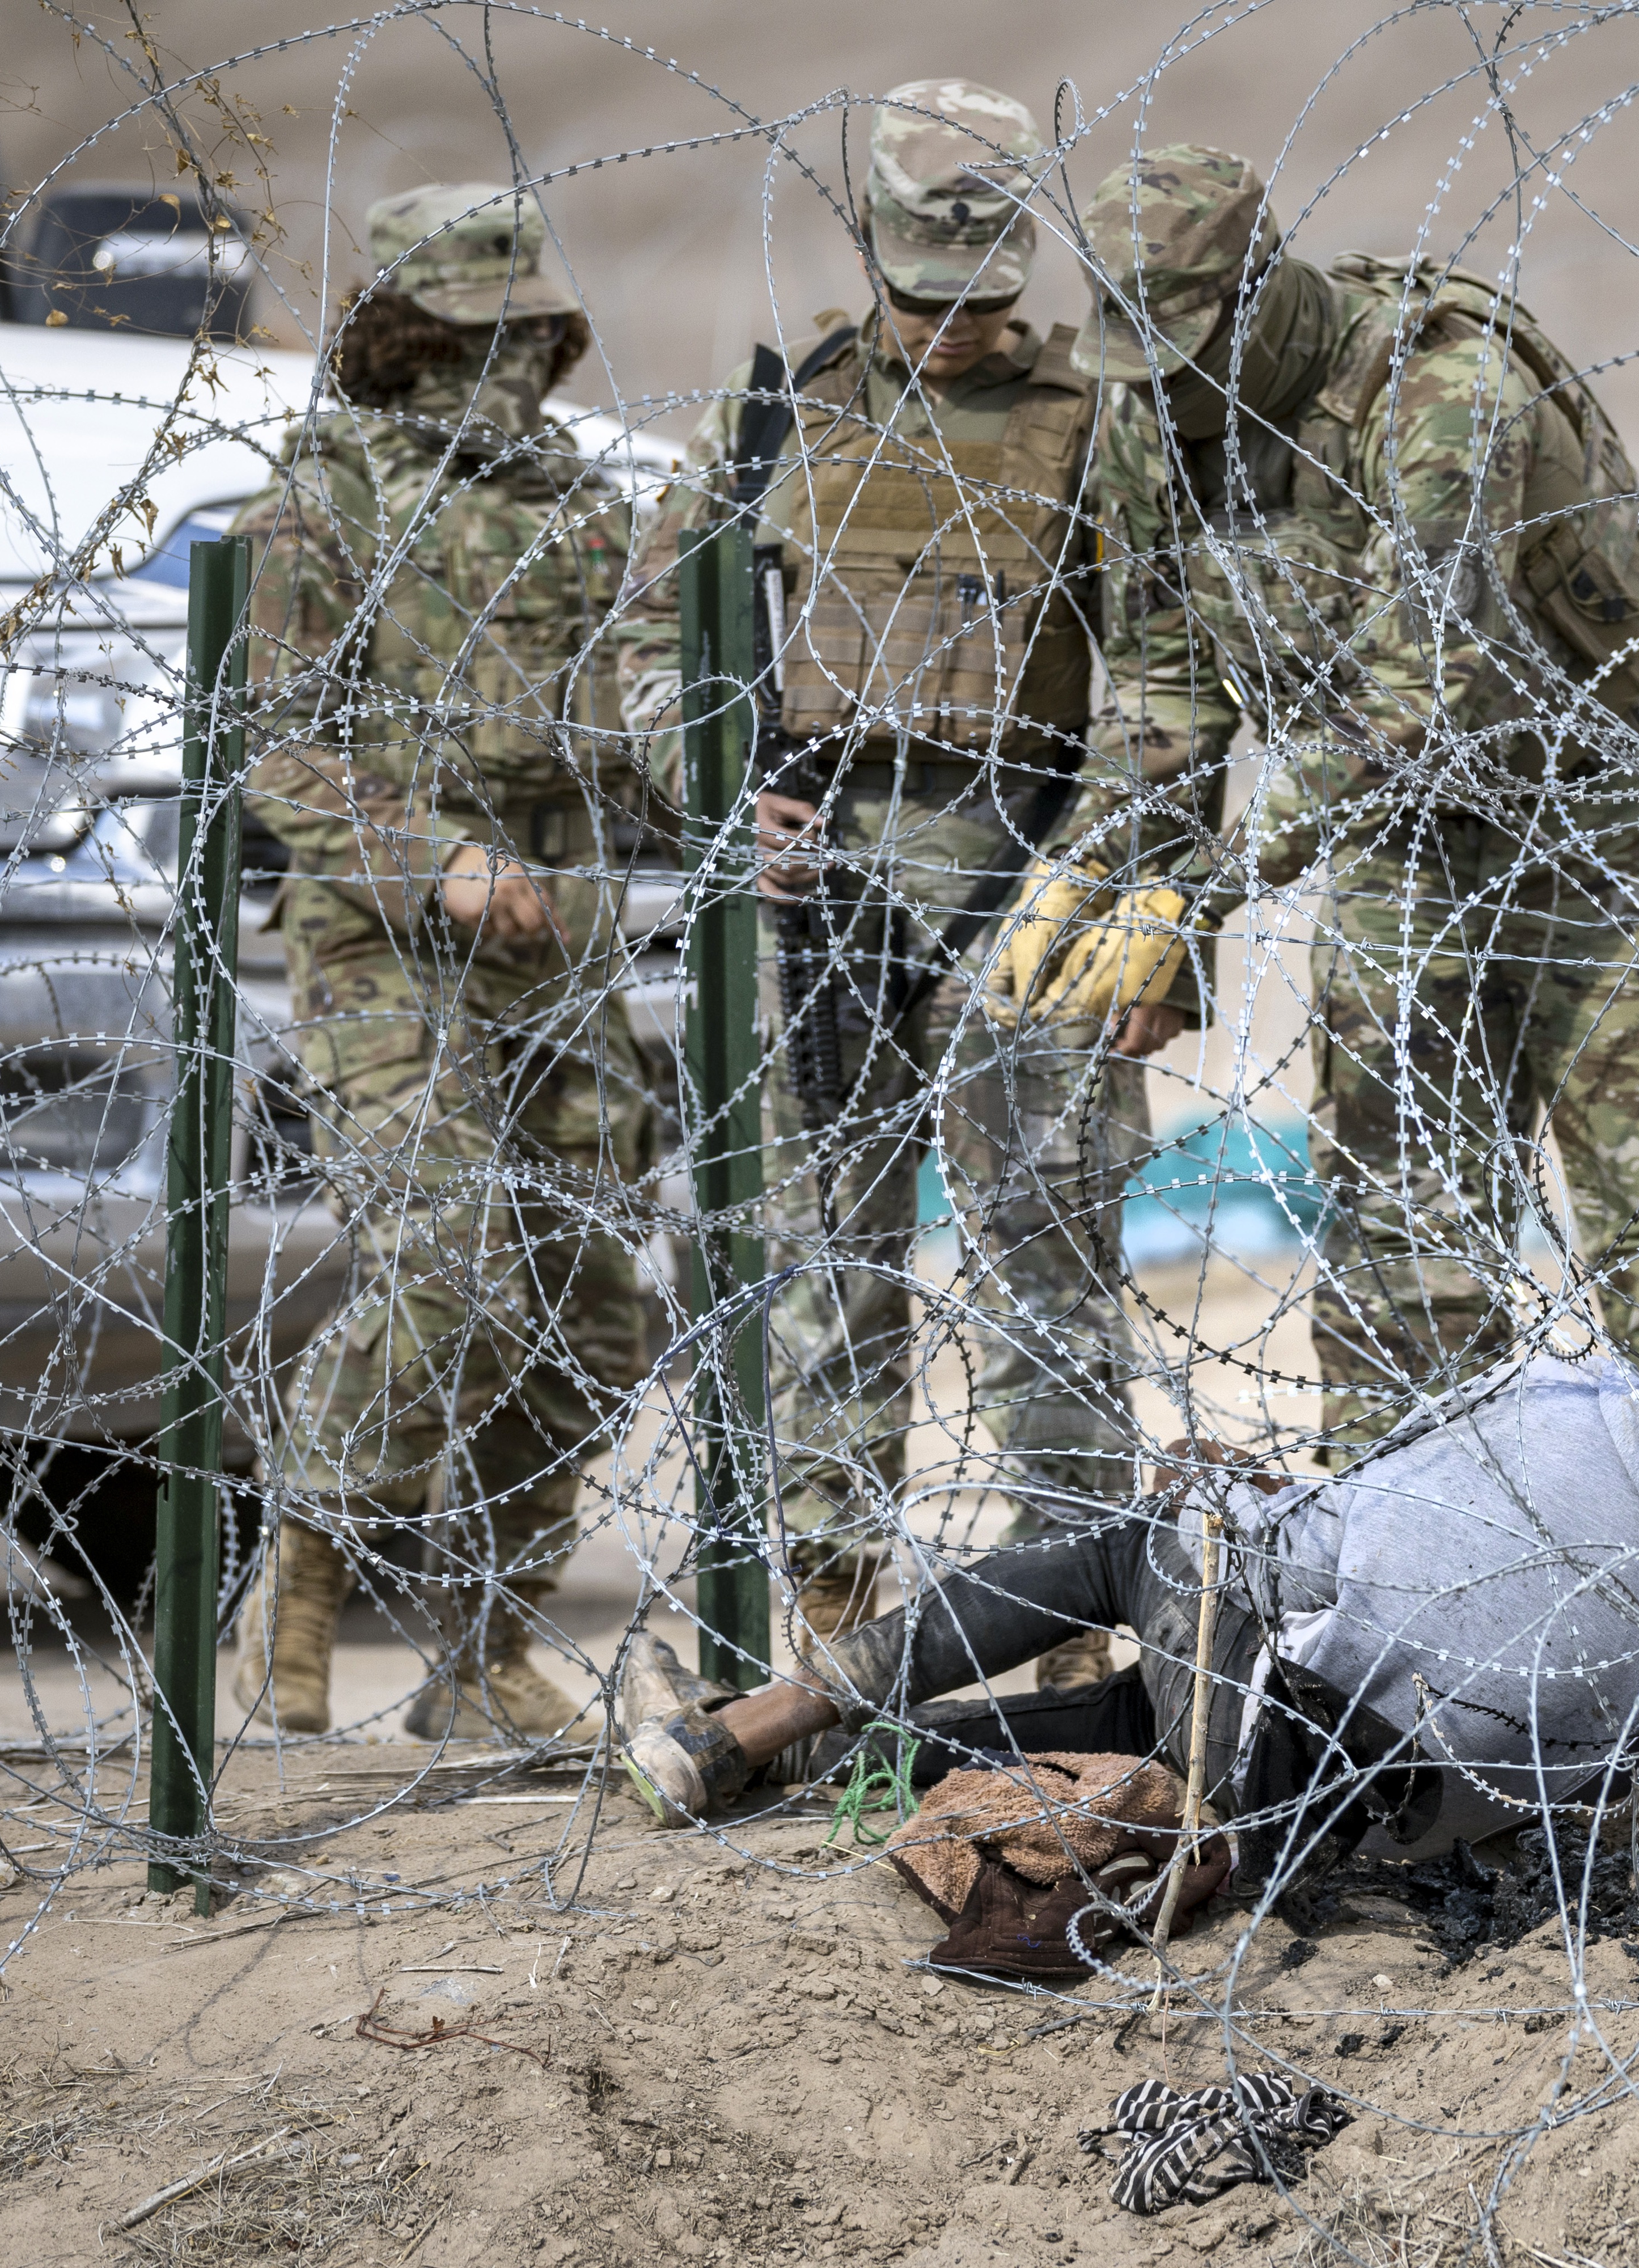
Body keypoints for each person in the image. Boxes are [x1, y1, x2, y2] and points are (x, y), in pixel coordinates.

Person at [986, 145, 1639, 1452]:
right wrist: (1121, 867)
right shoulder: (1152, 416)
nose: (1178, 395)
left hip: (1609, 827)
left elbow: (1419, 677)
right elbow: (1163, 676)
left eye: (1200, 354)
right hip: (1395, 837)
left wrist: (1208, 879)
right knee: (1405, 1257)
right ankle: (1413, 1576)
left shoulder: (1439, 390)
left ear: (1266, 293)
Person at [620, 1157, 1639, 1897]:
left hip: (1262, 1696)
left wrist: (1237, 1493)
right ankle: (802, 1768)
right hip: (1330, 1808)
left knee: (1148, 1550)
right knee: (1132, 1710)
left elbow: (1350, 1534)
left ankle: (755, 1725)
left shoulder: (1577, 1383)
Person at [614, 81, 1137, 1682]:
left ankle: (1068, 1632)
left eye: (984, 302)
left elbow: (1174, 667)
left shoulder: (1094, 427)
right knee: (823, 1283)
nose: (957, 334)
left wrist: (1115, 867)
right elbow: (651, 640)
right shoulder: (774, 425)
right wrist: (717, 789)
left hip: (1031, 888)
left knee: (1046, 1279)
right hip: (829, 896)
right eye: (927, 301)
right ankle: (834, 1637)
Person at [228, 184, 654, 1742]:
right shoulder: (324, 497)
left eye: (529, 336)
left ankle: (488, 1650)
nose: (511, 367)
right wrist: (433, 855)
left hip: (559, 949)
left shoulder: (583, 505)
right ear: (405, 341)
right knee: (452, 1252)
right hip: (382, 949)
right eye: (474, 337)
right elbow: (277, 754)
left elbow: (642, 719)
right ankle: (312, 1559)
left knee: (596, 1304)